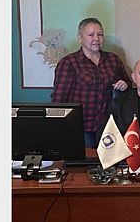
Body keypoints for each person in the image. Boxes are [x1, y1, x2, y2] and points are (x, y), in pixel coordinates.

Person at [51, 17, 131, 148]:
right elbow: (59, 100)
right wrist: (58, 127)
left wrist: (125, 84)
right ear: (80, 38)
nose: (96, 39)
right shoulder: (69, 62)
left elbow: (128, 83)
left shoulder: (113, 59)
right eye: (90, 35)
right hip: (81, 127)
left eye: (100, 34)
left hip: (109, 127)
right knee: (85, 160)